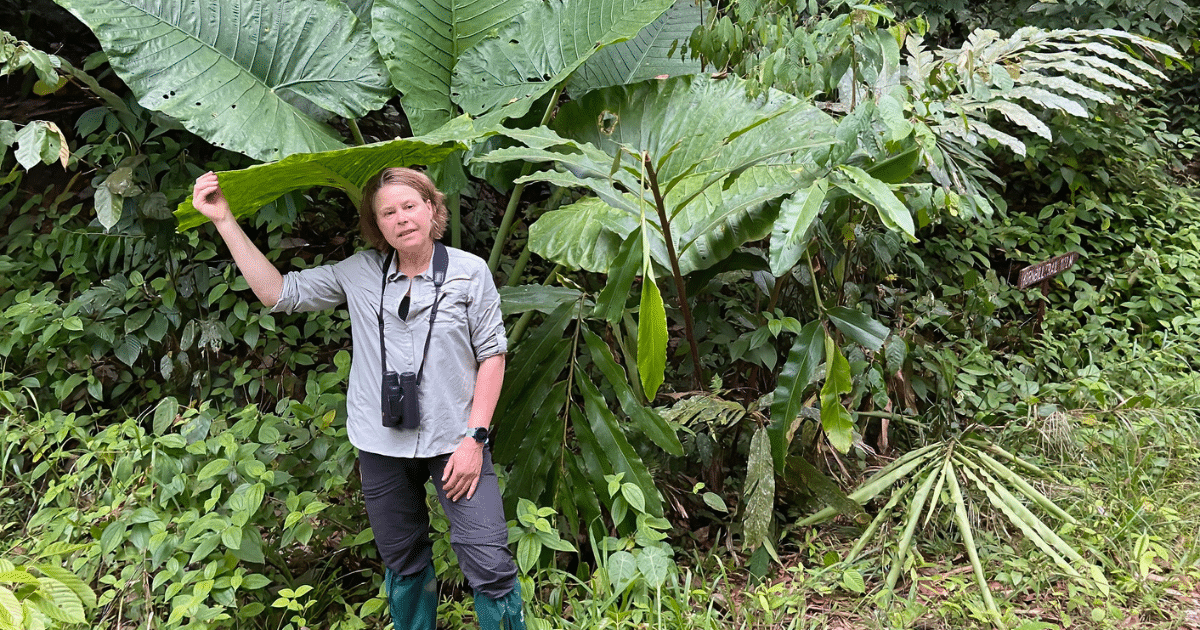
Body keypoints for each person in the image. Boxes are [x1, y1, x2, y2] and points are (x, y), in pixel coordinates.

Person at [192, 167, 525, 630]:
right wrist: (224, 220)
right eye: (387, 212)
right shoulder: (360, 273)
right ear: (377, 225)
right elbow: (277, 293)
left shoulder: (470, 273)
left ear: (432, 209)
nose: (401, 219)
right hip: (381, 445)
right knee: (404, 560)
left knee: (488, 561)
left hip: (457, 442)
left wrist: (475, 439)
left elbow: (493, 356)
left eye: (410, 206)